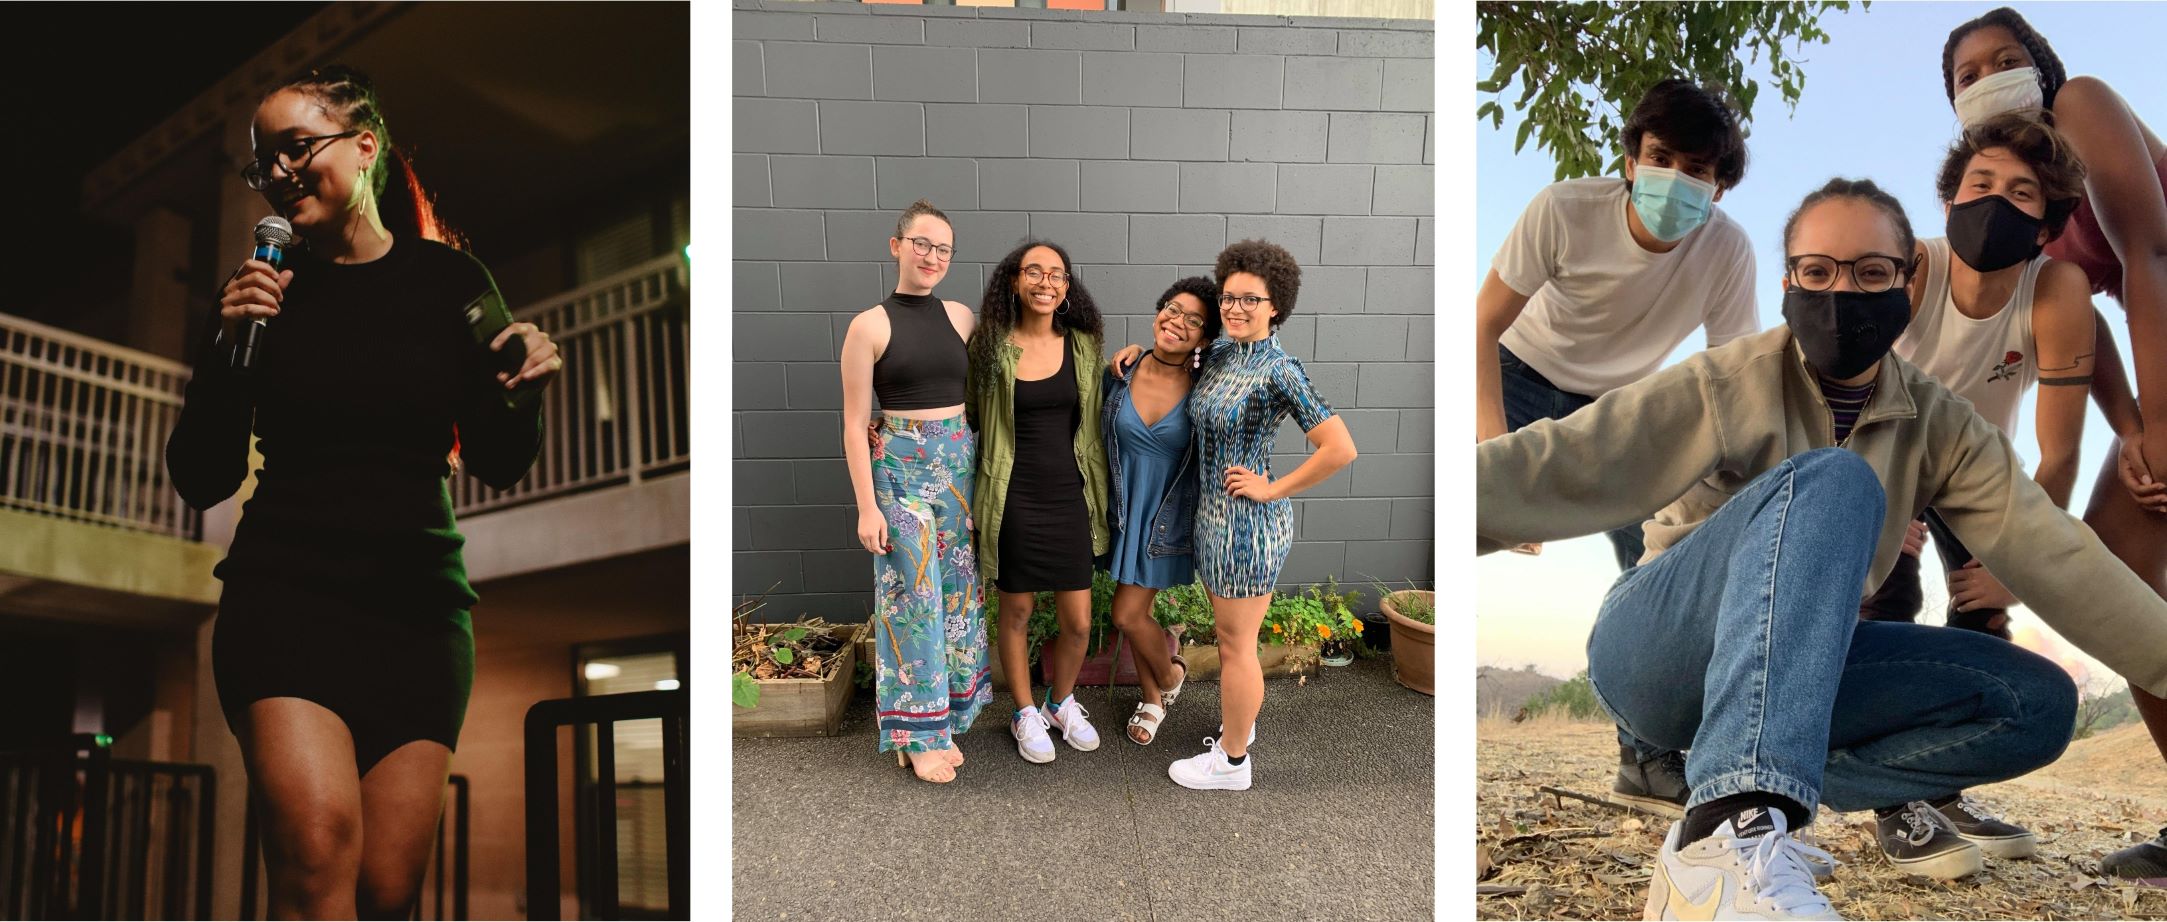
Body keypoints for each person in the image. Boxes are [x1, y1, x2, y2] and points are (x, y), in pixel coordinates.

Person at [1478, 177, 2167, 919]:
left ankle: (1765, 803)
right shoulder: (1726, 381)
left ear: (1907, 284)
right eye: (1817, 272)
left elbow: (2058, 553)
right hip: (1654, 659)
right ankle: (1722, 841)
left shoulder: (1941, 426)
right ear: (1788, 283)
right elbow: (1562, 461)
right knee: (1837, 480)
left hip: (1800, 676)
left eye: (1871, 273)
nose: (1842, 292)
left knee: (2035, 703)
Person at [167, 66, 560, 919]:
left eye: (296, 148)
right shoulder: (259, 296)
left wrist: (521, 392)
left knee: (386, 894)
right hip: (287, 598)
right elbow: (200, 476)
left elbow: (498, 459)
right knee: (314, 864)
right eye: (263, 162)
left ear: (365, 147)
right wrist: (226, 346)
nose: (278, 173)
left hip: (418, 612)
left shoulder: (451, 284)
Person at [1476, 76, 1759, 819]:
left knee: (1657, 567)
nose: (1675, 179)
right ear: (1631, 159)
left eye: (1697, 170)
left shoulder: (1727, 251)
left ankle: (1646, 756)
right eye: (1661, 157)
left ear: (1718, 187)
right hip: (1520, 372)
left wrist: (1728, 489)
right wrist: (1494, 453)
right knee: (1468, 519)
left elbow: (1737, 375)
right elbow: (1481, 323)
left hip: (1622, 403)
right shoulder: (1564, 208)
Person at [1849, 112, 2113, 867]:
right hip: (1882, 451)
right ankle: (1889, 801)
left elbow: (2057, 454)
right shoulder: (1911, 269)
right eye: (1980, 183)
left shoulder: (2054, 289)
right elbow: (1840, 394)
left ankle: (1936, 782)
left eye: (2021, 191)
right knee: (1882, 600)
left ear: (2043, 225)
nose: (1995, 199)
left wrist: (2013, 568)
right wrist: (1872, 505)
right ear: (1947, 202)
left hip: (1972, 468)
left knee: (1981, 612)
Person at [1942, 7, 2167, 880]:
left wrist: (2160, 422)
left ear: (2039, 66)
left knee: (2109, 588)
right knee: (2116, 596)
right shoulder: (2021, 195)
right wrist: (2134, 428)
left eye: (2005, 59)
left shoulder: (2079, 103)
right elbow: (2085, 306)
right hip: (2154, 367)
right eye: (1966, 73)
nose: (1987, 76)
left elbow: (2147, 255)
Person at [1166, 239, 1356, 791]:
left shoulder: (1279, 369)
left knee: (1235, 646)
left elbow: (1339, 447)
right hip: (1213, 521)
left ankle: (1231, 762)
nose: (1234, 308)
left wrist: (1273, 489)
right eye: (1229, 297)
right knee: (1233, 642)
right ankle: (1237, 732)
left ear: (1276, 306)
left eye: (1251, 300)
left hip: (1246, 527)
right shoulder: (1222, 353)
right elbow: (1175, 355)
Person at [838, 198, 987, 785]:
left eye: (943, 248)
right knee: (910, 600)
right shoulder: (868, 325)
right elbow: (853, 422)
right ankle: (916, 733)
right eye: (921, 244)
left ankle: (942, 718)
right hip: (899, 475)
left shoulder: (961, 316)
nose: (932, 256)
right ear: (897, 246)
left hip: (959, 469)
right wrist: (866, 507)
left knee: (954, 597)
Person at [966, 240, 1111, 765]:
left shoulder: (1084, 346)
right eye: (1034, 272)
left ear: (1067, 287)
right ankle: (1024, 710)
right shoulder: (989, 346)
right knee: (1018, 609)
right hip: (1011, 496)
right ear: (1014, 281)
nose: (1046, 281)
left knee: (1077, 620)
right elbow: (966, 417)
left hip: (1071, 495)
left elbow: (1100, 411)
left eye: (1057, 274)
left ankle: (1060, 701)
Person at [1101, 277, 1221, 745]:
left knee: (1127, 614)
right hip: (1124, 509)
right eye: (1173, 309)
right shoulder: (1122, 372)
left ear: (1204, 338)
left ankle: (1170, 677)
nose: (1178, 322)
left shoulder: (1205, 386)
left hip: (1167, 515)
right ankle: (1153, 697)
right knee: (1137, 611)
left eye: (1194, 320)